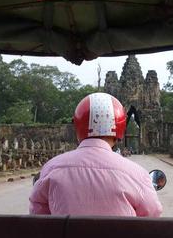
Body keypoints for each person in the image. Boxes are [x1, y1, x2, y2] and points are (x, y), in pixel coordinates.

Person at [29, 92, 162, 217]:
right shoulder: (136, 174)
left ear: (78, 127)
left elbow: (38, 214)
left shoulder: (51, 168)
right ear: (119, 129)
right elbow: (153, 214)